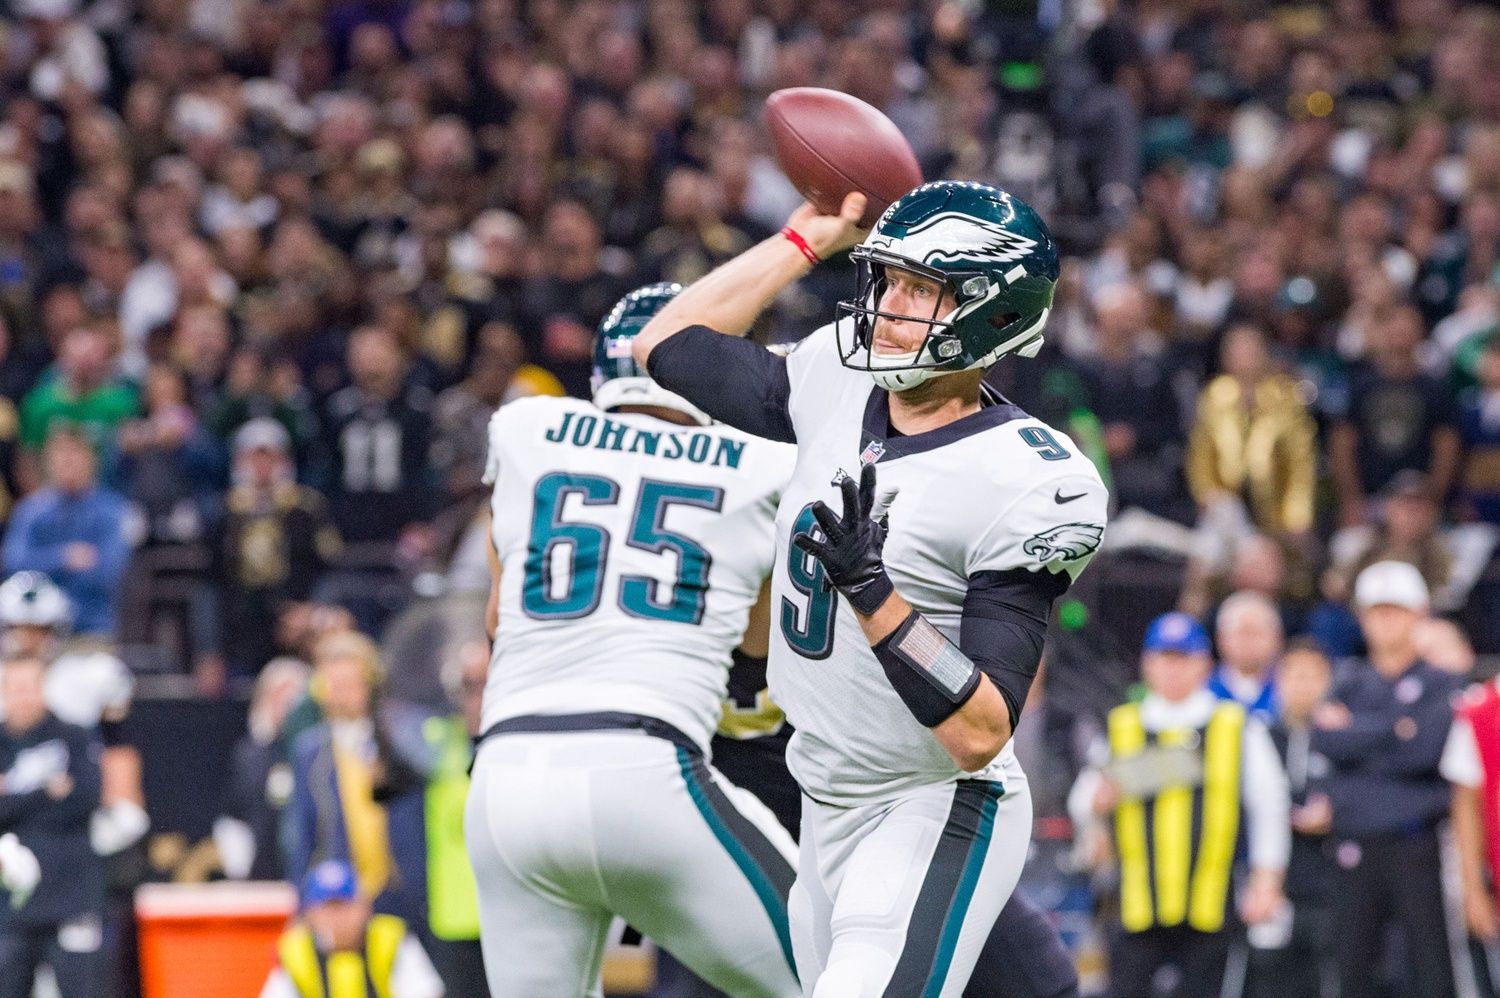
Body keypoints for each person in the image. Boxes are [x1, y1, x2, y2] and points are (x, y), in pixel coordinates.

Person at [634, 182, 1108, 993]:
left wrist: (875, 592)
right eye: (886, 281)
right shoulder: (837, 380)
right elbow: (669, 344)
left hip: (932, 803)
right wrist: (801, 244)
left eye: (919, 288)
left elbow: (981, 730)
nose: (887, 306)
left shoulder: (1027, 476)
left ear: (993, 313)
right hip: (825, 797)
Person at [465, 283, 801, 996]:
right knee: (848, 977)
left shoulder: (528, 428)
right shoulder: (760, 465)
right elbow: (756, 644)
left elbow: (498, 621)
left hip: (507, 777)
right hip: (644, 766)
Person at [1069, 613, 1290, 998]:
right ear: (1147, 663)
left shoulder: (1236, 724)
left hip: (1211, 900)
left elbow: (1269, 804)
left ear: (1204, 662)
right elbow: (1084, 799)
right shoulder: (1122, 725)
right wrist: (1095, 807)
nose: (1173, 669)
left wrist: (1266, 880)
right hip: (1135, 901)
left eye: (1183, 658)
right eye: (1164, 657)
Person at [1314, 560, 1459, 998]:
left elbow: (1426, 751)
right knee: (1353, 970)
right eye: (1376, 611)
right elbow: (1326, 741)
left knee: (1431, 970)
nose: (1385, 621)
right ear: (1361, 617)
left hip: (1419, 849)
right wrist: (1396, 728)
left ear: (1419, 614)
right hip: (1354, 846)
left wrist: (1356, 731)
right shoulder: (1346, 680)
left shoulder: (1442, 682)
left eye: (1395, 610)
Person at [0, 656, 104, 998]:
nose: (23, 696)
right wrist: (47, 792)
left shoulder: (73, 735)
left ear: (44, 689)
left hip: (70, 897)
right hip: (10, 909)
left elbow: (85, 798)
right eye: (15, 688)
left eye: (30, 687)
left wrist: (14, 797)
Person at [1252, 640, 1336, 998]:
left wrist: (1336, 810)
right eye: (1294, 675)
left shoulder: (1343, 737)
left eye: (1312, 676)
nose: (1303, 685)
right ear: (1278, 681)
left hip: (1329, 885)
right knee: (1272, 982)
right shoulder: (1258, 735)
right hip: (1276, 886)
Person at [2, 425, 129, 636]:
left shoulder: (111, 510)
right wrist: (63, 557)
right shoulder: (31, 510)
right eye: (60, 454)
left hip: (91, 630)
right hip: (34, 634)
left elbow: (109, 572)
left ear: (91, 460)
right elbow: (13, 563)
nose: (68, 461)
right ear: (48, 462)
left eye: (75, 454)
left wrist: (44, 567)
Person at [260, 858, 443, 998]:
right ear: (310, 916)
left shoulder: (391, 939)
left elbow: (425, 993)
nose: (338, 918)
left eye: (344, 906)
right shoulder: (295, 952)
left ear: (365, 907)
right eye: (328, 909)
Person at [1208, 590, 1283, 723]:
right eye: (1241, 633)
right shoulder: (1202, 690)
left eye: (1256, 633)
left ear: (1276, 638)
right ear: (1221, 638)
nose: (1248, 642)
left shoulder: (1287, 690)